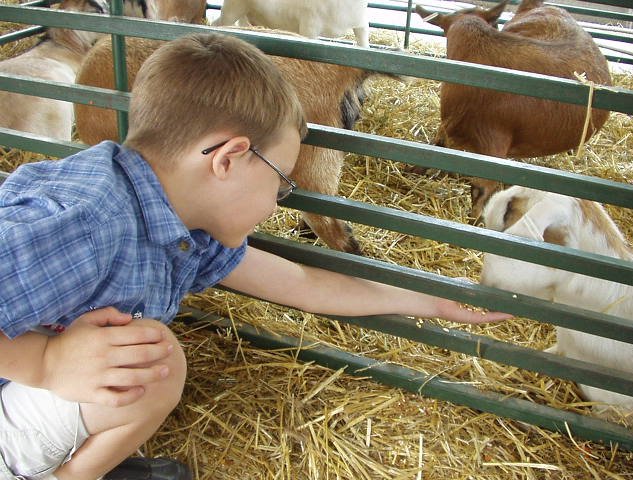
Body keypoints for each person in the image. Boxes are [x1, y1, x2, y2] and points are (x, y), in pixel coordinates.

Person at [0, 32, 510, 480]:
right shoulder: (91, 221)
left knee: (146, 360)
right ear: (228, 159)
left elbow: (302, 285)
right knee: (154, 362)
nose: (277, 200)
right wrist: (46, 364)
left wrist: (436, 300)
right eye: (282, 181)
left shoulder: (180, 223)